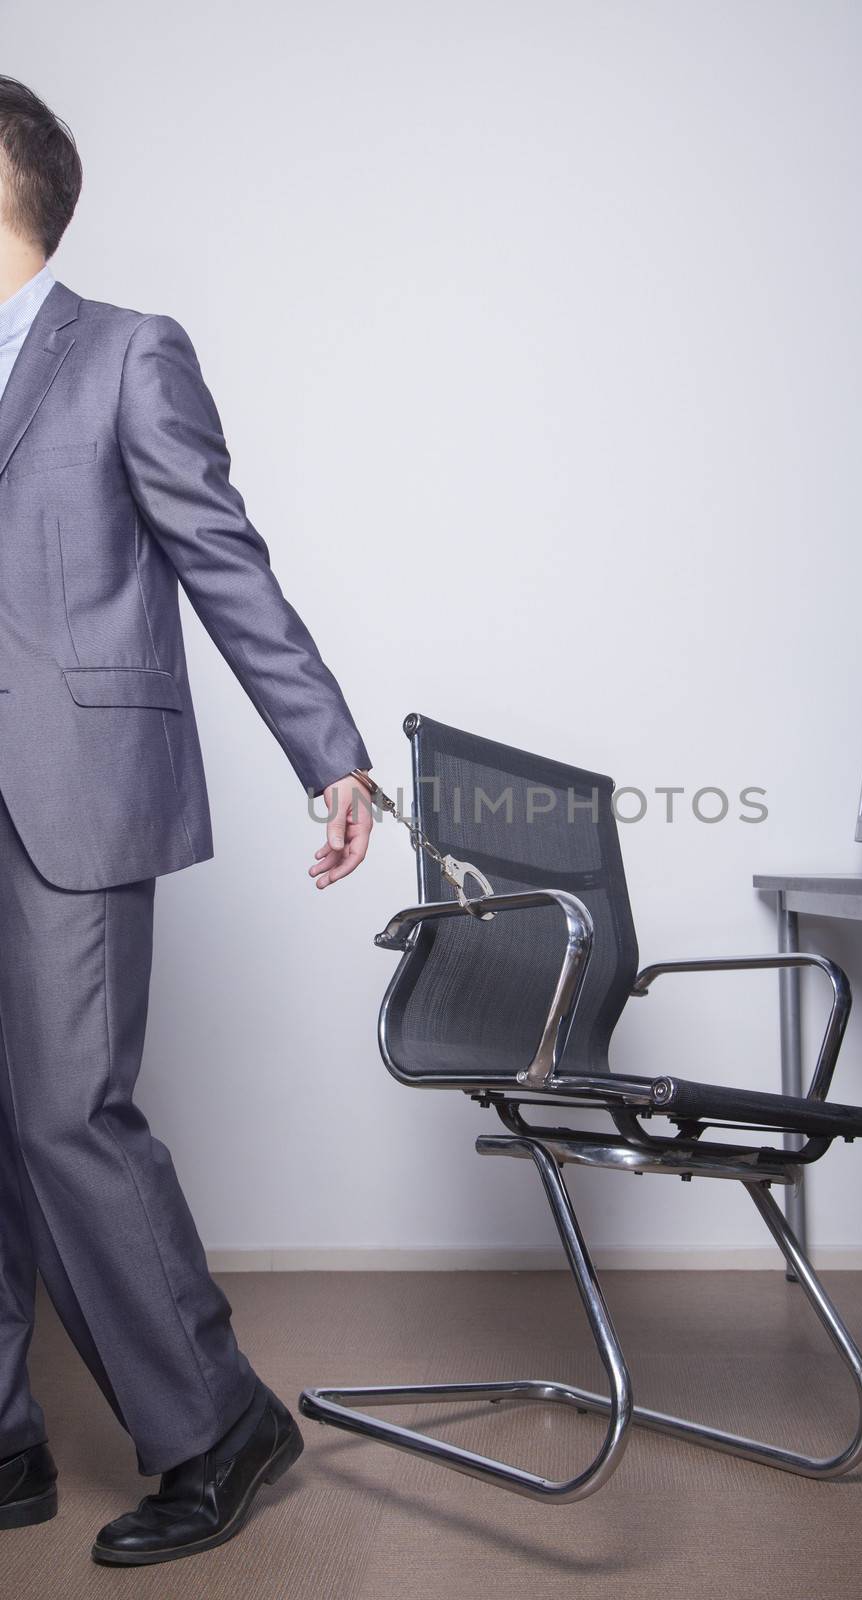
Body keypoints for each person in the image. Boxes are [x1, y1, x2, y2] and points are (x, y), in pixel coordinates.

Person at [0, 76, 374, 1566]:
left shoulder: (124, 355)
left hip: (76, 795)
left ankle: (219, 1422)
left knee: (64, 1115)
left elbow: (225, 562)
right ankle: (9, 1439)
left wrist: (328, 755)